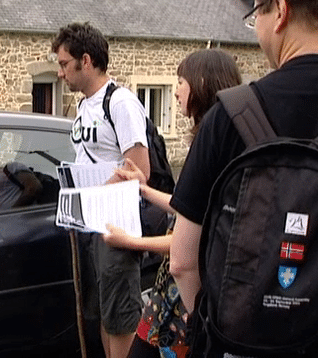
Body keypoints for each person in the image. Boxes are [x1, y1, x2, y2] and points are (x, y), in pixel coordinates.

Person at [168, 0, 318, 357]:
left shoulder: (231, 114)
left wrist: (210, 323)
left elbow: (182, 261)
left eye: (257, 14)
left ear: (281, 11)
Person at [104, 49, 242, 358]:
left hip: (185, 298)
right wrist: (144, 188)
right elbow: (191, 209)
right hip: (177, 292)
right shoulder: (223, 137)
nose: (176, 90)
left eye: (180, 81)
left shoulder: (211, 141)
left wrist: (130, 241)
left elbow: (185, 245)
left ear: (201, 83)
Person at [52, 22, 150, 358]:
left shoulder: (121, 103)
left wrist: (92, 194)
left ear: (87, 60)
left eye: (65, 64)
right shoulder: (83, 106)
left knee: (120, 316)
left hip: (117, 227)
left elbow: (140, 171)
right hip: (91, 225)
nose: (61, 73)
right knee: (101, 315)